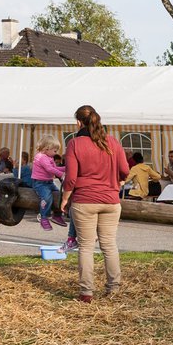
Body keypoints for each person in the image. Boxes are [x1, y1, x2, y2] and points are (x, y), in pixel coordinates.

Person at [61, 105, 129, 302]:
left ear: (78, 122)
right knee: (109, 245)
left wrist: (65, 199)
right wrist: (119, 181)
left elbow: (71, 178)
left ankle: (86, 292)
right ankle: (113, 288)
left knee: (86, 247)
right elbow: (125, 169)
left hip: (85, 201)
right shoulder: (113, 142)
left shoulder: (75, 143)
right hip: (110, 200)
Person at [32, 136, 68, 231]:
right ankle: (44, 217)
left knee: (59, 196)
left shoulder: (49, 157)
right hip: (40, 183)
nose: (56, 153)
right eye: (55, 151)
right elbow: (49, 169)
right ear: (47, 148)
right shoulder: (41, 157)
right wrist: (62, 174)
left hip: (49, 182)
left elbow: (54, 168)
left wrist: (66, 168)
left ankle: (57, 215)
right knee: (47, 197)